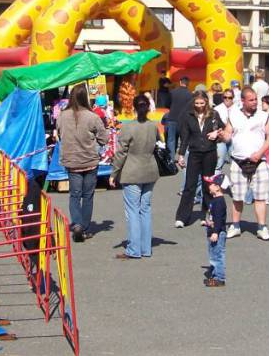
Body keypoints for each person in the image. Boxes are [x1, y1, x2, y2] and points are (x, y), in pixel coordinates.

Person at [109, 94, 159, 259]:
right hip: (150, 171)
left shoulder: (128, 127)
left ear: (134, 108)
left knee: (132, 211)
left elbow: (121, 153)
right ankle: (146, 248)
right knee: (145, 209)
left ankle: (134, 249)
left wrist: (114, 173)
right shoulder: (153, 126)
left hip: (132, 172)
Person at [57, 83, 108, 242]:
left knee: (74, 195)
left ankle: (77, 223)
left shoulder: (62, 116)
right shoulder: (92, 117)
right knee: (88, 196)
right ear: (85, 97)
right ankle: (84, 228)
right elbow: (104, 138)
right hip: (90, 160)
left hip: (72, 161)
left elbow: (59, 133)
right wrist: (95, 144)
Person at [222, 87, 269, 241]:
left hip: (259, 161)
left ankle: (262, 228)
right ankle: (235, 226)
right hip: (238, 161)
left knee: (260, 196)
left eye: (255, 99)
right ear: (243, 101)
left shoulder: (263, 115)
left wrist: (260, 152)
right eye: (251, 100)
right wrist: (222, 135)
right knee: (237, 196)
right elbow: (228, 134)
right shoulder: (234, 114)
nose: (254, 102)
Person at [175, 90, 224, 227]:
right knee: (189, 185)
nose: (199, 106)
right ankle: (182, 217)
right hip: (194, 153)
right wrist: (181, 155)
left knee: (208, 185)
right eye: (196, 103)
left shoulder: (214, 114)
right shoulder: (188, 115)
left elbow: (223, 128)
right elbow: (185, 137)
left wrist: (216, 132)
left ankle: (206, 214)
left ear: (206, 102)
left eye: (202, 103)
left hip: (210, 152)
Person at [203, 175, 227, 287]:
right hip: (212, 230)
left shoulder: (219, 202)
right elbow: (213, 216)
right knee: (213, 254)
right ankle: (214, 274)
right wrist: (207, 222)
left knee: (217, 256)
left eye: (211, 184)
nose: (209, 186)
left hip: (217, 233)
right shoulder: (215, 200)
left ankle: (219, 278)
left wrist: (215, 232)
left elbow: (219, 219)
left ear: (218, 187)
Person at [165, 76, 193, 159]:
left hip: (172, 118)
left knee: (171, 140)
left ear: (180, 82)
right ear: (188, 83)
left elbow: (167, 104)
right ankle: (183, 158)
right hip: (184, 120)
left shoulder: (172, 92)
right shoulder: (190, 94)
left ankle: (171, 159)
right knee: (184, 140)